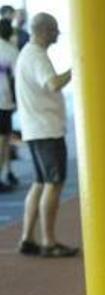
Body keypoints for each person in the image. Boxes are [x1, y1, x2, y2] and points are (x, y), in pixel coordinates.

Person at [15, 12, 76, 258]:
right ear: (43, 31)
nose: (58, 35)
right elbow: (52, 83)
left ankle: (28, 238)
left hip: (35, 129)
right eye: (54, 30)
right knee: (54, 183)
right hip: (46, 129)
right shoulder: (37, 56)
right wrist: (77, 70)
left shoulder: (27, 55)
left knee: (41, 183)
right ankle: (48, 242)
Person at [0, 17, 17, 192]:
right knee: (4, 140)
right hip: (4, 102)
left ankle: (7, 172)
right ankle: (4, 174)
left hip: (4, 102)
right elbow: (17, 78)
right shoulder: (11, 51)